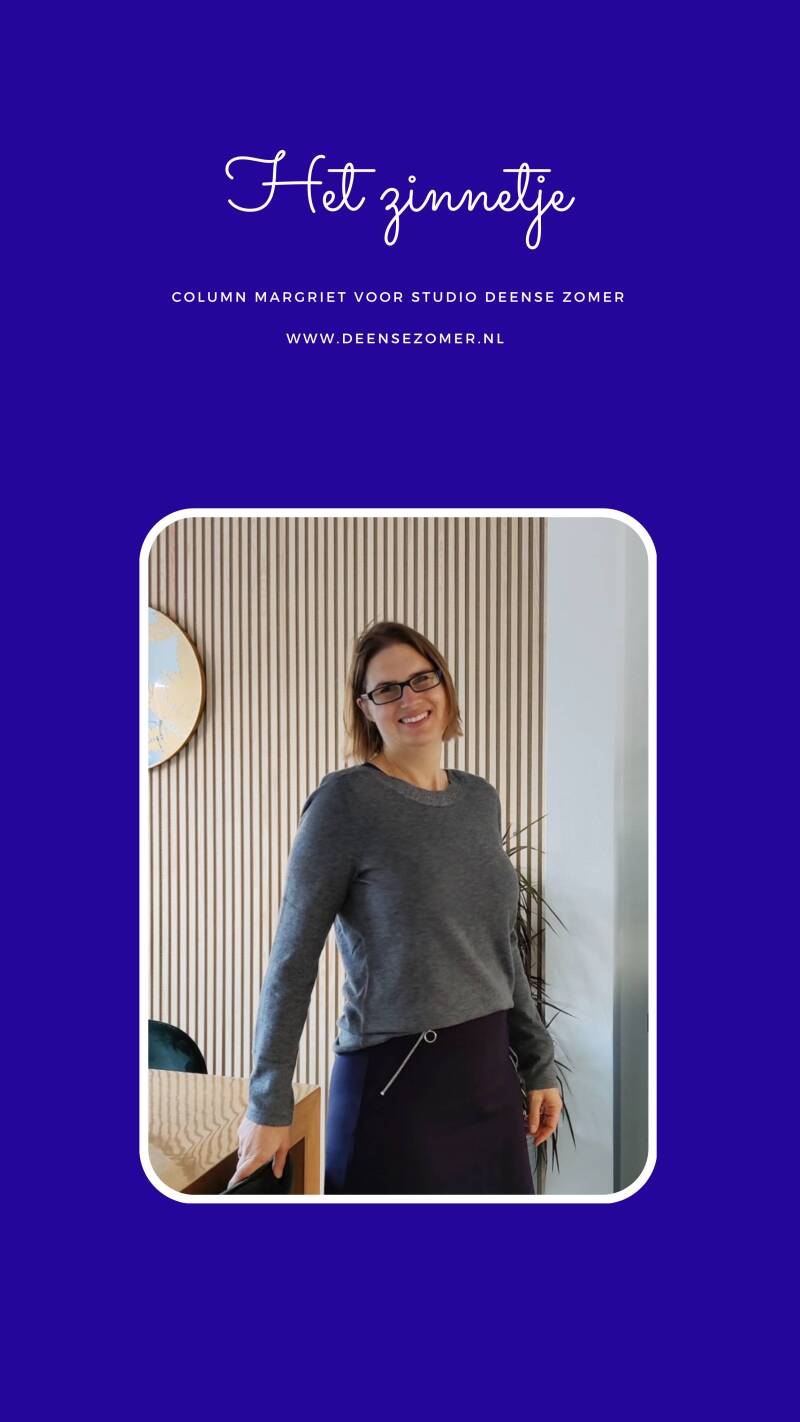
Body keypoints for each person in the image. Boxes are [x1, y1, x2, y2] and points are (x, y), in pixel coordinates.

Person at [228, 619, 562, 1194]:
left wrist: (537, 1061)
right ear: (365, 708)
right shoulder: (344, 803)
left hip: (488, 1079)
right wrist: (268, 1102)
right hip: (398, 1088)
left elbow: (501, 943)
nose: (410, 699)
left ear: (444, 685)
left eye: (421, 679)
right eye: (387, 689)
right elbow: (292, 960)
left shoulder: (479, 800)